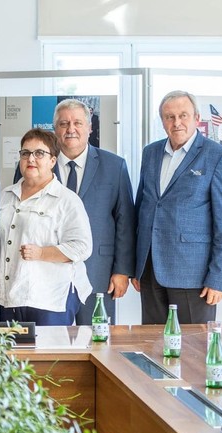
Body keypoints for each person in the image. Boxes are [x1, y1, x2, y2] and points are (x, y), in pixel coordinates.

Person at [133, 90, 222, 324]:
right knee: (152, 342)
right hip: (150, 271)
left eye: (183, 115)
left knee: (194, 344)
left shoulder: (217, 156)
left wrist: (218, 278)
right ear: (162, 121)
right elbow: (143, 208)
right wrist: (136, 266)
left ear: (197, 118)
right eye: (169, 117)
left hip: (194, 276)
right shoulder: (150, 153)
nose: (176, 122)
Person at [0, 129, 92, 325]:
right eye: (25, 153)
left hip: (49, 298)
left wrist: (42, 253)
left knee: (48, 346)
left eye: (39, 153)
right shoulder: (4, 196)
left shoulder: (67, 200)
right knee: (11, 346)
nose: (31, 159)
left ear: (52, 161)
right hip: (10, 295)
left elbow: (82, 247)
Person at [51, 99, 135, 325]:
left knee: (97, 339)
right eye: (63, 124)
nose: (71, 129)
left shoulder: (114, 166)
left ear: (90, 127)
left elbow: (125, 222)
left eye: (78, 123)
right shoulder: (38, 164)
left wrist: (122, 271)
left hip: (99, 272)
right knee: (50, 339)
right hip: (47, 273)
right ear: (55, 129)